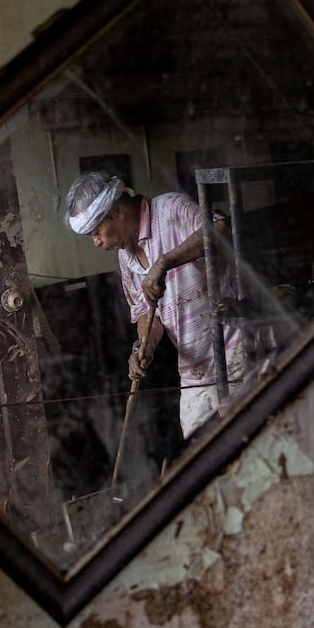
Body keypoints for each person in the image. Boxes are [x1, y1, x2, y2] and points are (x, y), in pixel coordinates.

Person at [63, 170, 246, 439]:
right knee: (199, 454)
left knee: (240, 443)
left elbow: (221, 230)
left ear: (116, 212)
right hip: (195, 373)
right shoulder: (126, 257)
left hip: (236, 352)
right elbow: (145, 314)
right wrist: (145, 345)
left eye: (97, 232)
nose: (97, 242)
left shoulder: (171, 209)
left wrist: (165, 261)